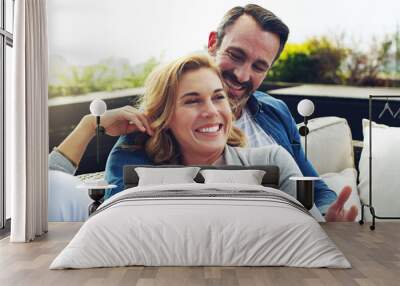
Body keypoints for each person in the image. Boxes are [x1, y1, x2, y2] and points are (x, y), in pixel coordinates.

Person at [105, 4, 357, 221]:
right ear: (213, 43)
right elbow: (116, 219)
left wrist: (329, 218)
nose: (242, 75)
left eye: (259, 67)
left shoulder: (275, 113)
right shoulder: (145, 134)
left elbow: (315, 189)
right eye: (236, 55)